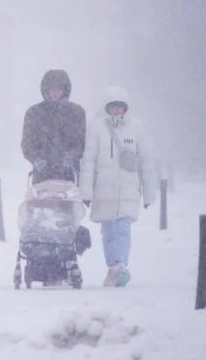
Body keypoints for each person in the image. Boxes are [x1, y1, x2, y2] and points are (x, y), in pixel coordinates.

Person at [79, 86, 157, 287]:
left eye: (119, 107)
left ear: (125, 109)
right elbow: (88, 161)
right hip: (103, 192)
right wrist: (85, 192)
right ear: (107, 108)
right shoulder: (96, 128)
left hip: (127, 192)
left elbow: (146, 163)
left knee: (122, 229)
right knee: (108, 232)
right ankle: (112, 266)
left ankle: (121, 265)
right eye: (112, 107)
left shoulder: (137, 129)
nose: (116, 111)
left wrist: (149, 194)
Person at [21, 70, 86, 184]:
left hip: (69, 176)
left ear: (65, 90)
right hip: (42, 177)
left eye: (58, 89)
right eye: (51, 89)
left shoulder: (76, 113)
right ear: (45, 90)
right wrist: (37, 160)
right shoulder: (34, 113)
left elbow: (81, 142)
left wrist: (71, 157)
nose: (55, 93)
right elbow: (27, 144)